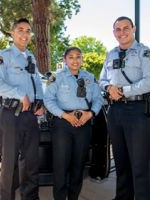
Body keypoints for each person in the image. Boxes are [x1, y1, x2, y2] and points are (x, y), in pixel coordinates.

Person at [0, 18, 44, 200]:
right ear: (12, 33)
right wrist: (19, 94)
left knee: (31, 163)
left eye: (28, 30)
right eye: (20, 30)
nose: (25, 34)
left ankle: (30, 197)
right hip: (11, 115)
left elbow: (37, 81)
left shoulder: (31, 57)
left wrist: (41, 102)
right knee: (9, 164)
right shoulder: (2, 56)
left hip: (30, 117)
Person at [99, 16, 150, 200]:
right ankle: (123, 197)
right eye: (118, 29)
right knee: (121, 160)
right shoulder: (110, 54)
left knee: (140, 162)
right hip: (115, 112)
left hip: (137, 111)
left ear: (133, 29)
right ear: (114, 33)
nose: (122, 32)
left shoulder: (144, 53)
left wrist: (123, 90)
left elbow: (149, 81)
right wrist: (108, 88)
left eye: (125, 28)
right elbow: (102, 80)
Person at [44, 47, 104, 200]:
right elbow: (48, 100)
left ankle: (73, 197)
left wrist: (90, 114)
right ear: (65, 60)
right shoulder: (55, 76)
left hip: (83, 125)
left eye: (78, 56)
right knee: (60, 166)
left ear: (82, 59)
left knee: (78, 166)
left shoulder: (90, 77)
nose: (75, 60)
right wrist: (66, 116)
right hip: (62, 125)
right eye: (71, 57)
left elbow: (98, 99)